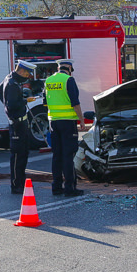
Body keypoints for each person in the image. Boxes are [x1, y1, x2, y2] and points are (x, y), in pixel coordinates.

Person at [44, 59, 87, 197]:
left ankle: (56, 187)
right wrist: (81, 120)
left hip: (53, 122)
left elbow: (45, 102)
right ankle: (70, 188)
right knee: (68, 155)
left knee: (57, 155)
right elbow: (75, 103)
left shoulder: (48, 81)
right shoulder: (69, 80)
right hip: (68, 122)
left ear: (58, 67)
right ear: (69, 67)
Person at [0, 60, 37, 194]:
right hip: (17, 124)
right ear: (20, 70)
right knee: (17, 155)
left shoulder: (9, 78)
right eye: (26, 73)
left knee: (24, 153)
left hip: (21, 122)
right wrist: (25, 100)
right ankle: (16, 185)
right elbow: (13, 105)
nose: (27, 76)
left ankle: (20, 181)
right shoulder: (13, 84)